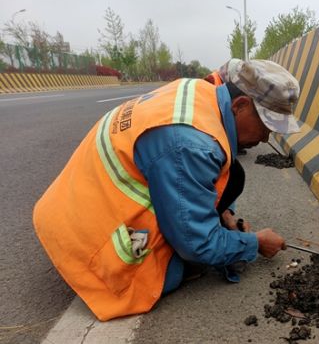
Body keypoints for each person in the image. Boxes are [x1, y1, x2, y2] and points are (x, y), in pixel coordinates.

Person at [33, 58, 301, 321]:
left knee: (233, 175)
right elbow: (198, 245)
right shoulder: (192, 145)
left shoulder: (200, 91)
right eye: (267, 127)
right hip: (84, 239)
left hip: (69, 204)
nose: (267, 138)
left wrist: (226, 216)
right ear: (240, 105)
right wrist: (254, 243)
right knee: (169, 273)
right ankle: (101, 268)